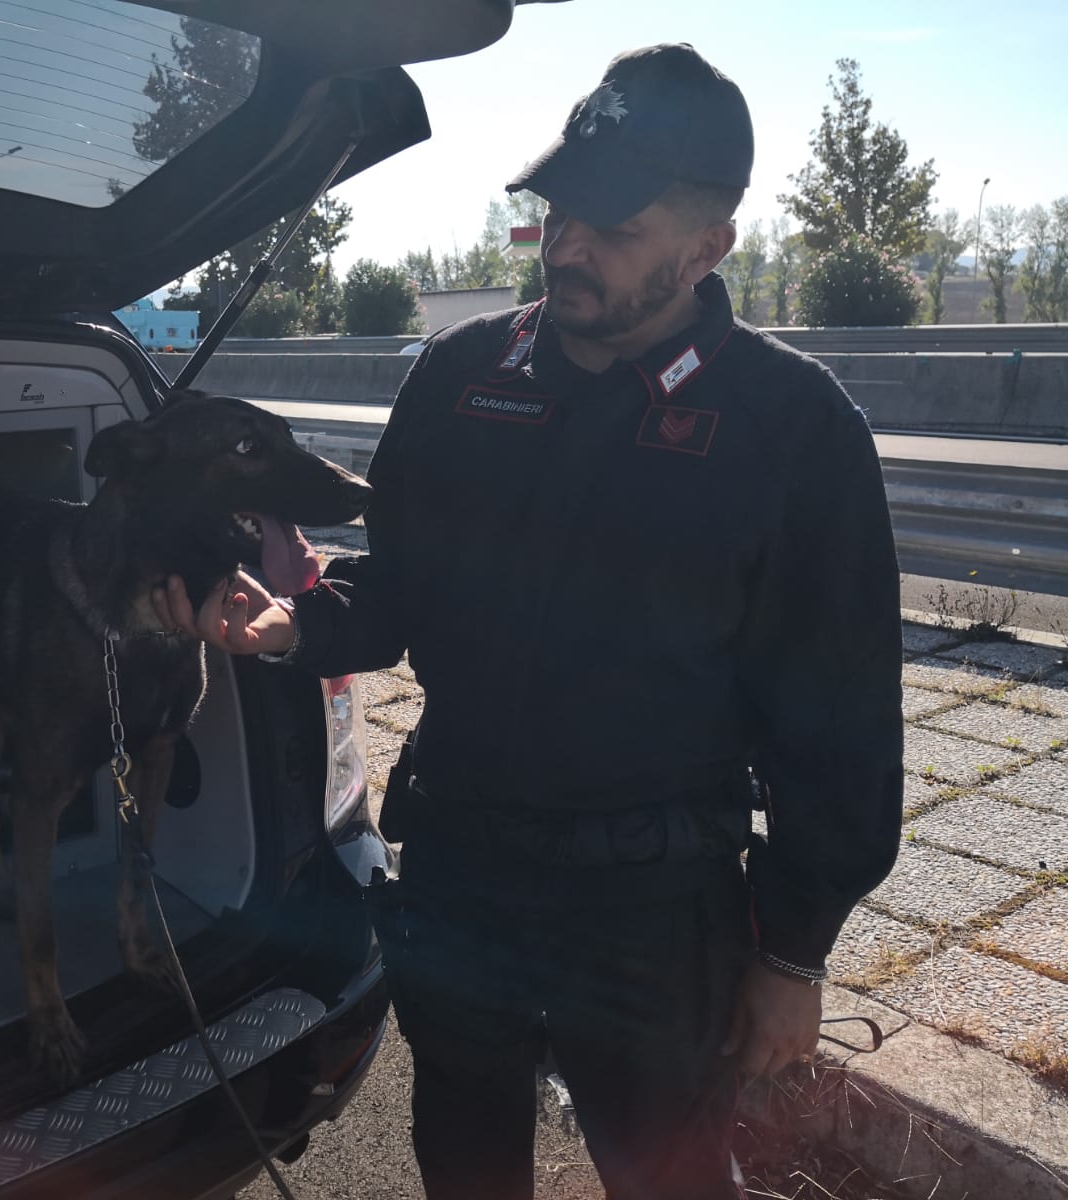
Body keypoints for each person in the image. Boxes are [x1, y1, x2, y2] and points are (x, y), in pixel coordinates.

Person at [155, 42, 904, 1200]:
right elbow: (395, 589)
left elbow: (840, 724)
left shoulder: (793, 430)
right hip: (460, 875)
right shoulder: (460, 379)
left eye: (612, 226)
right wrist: (295, 627)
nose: (566, 246)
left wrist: (794, 951)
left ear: (710, 244)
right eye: (557, 211)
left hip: (654, 916)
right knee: (461, 1155)